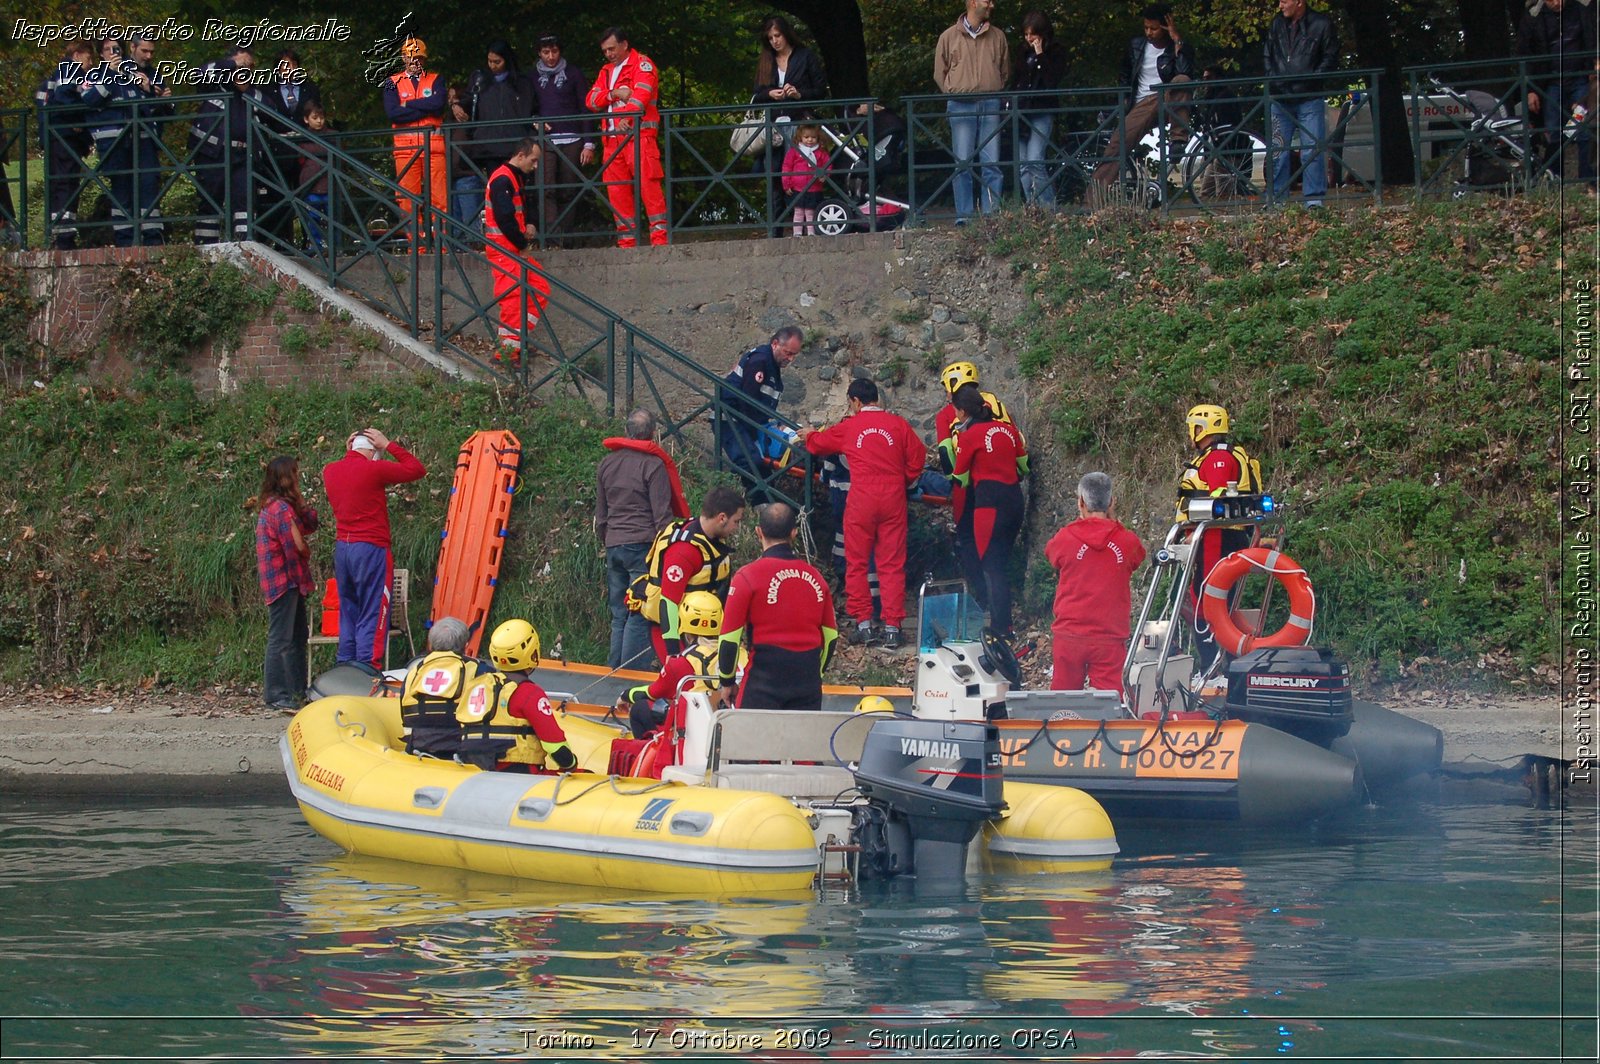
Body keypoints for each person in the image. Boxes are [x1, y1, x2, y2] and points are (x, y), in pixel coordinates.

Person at [803, 378, 926, 650]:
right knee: (892, 563)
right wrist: (902, 481)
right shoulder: (899, 425)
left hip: (862, 498)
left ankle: (864, 624)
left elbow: (818, 445)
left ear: (855, 402)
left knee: (856, 561)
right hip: (893, 496)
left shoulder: (850, 426)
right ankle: (893, 627)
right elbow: (918, 456)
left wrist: (809, 434)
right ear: (877, 399)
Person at [717, 502, 838, 710]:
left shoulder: (746, 577)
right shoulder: (816, 578)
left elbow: (729, 639)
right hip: (807, 679)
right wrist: (817, 674)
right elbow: (831, 637)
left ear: (758, 532)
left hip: (763, 678)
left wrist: (727, 681)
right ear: (794, 533)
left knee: (755, 741)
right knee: (799, 742)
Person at [322, 427, 426, 669]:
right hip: (370, 548)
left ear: (351, 447)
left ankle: (345, 666)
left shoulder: (330, 470)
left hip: (343, 549)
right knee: (373, 607)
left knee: (348, 609)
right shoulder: (374, 469)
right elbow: (416, 469)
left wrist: (349, 452)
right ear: (372, 450)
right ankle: (367, 667)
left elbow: (348, 469)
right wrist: (389, 445)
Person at [596, 408, 691, 670]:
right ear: (653, 434)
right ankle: (629, 676)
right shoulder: (653, 465)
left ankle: (612, 672)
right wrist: (673, 549)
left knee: (619, 615)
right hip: (643, 547)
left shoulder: (607, 463)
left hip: (614, 544)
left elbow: (601, 514)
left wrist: (608, 539)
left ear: (627, 431)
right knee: (639, 612)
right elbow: (662, 517)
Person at [1176, 403, 1263, 666]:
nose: (1191, 433)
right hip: (1216, 536)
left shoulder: (1218, 458)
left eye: (1193, 427)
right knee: (1200, 599)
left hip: (1215, 536)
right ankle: (1220, 662)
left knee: (1206, 602)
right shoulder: (1220, 455)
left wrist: (1196, 533)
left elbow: (1217, 500)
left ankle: (1212, 666)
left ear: (1202, 428)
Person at [1046, 472, 1146, 694]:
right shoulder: (1128, 540)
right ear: (1112, 502)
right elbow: (1138, 558)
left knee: (1062, 705)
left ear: (1081, 502)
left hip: (1069, 635)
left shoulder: (1065, 537)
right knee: (1110, 707)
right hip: (1109, 637)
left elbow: (1052, 556)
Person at [950, 384, 1028, 641]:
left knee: (992, 567)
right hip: (1014, 501)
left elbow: (960, 477)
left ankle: (1001, 628)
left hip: (989, 504)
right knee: (1001, 563)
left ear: (962, 412)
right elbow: (1023, 466)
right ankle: (1003, 624)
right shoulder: (1008, 430)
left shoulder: (969, 436)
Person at [1092, 4, 1195, 192]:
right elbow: (1125, 74)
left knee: (1181, 80)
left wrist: (1177, 40)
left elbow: (1185, 74)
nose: (1149, 32)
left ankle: (1178, 140)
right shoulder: (1136, 45)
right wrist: (1124, 100)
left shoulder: (1177, 47)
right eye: (1146, 27)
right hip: (1140, 104)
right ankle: (1092, 200)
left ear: (1165, 27)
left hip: (1165, 99)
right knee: (1117, 145)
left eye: (1154, 28)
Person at [455, 619, 579, 773]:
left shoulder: (476, 685)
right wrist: (572, 765)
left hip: (472, 771)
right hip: (517, 773)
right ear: (532, 653)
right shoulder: (529, 693)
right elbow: (556, 747)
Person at [82, 35, 173, 246]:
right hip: (114, 145)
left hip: (142, 142)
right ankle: (125, 242)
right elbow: (90, 100)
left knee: (148, 188)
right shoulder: (93, 75)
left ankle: (153, 240)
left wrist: (151, 92)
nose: (114, 53)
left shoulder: (133, 75)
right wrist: (110, 75)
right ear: (101, 54)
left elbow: (146, 109)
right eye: (109, 50)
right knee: (121, 192)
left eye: (117, 49)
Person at [638, 484, 745, 662]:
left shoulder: (711, 542)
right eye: (736, 521)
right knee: (686, 685)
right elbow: (669, 603)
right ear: (722, 518)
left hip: (706, 631)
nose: (737, 528)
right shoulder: (684, 552)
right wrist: (674, 654)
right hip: (678, 632)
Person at [585, 27, 669, 247]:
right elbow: (591, 101)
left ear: (624, 44)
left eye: (612, 49)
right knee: (617, 192)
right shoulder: (606, 71)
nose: (609, 54)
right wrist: (614, 94)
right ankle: (627, 244)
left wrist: (627, 117)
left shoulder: (643, 64)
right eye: (605, 51)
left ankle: (660, 241)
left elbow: (641, 94)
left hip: (640, 137)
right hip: (612, 141)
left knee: (649, 189)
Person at [934, 0, 1010, 225]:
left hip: (990, 102)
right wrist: (953, 92)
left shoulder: (998, 37)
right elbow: (940, 73)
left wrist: (992, 88)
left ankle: (991, 216)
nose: (992, 5)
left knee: (991, 163)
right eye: (987, 1)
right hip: (960, 104)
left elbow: (1004, 71)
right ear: (972, 2)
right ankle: (964, 217)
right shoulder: (948, 37)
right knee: (963, 163)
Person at [753, 15, 829, 235]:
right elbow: (756, 95)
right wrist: (770, 93)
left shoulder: (805, 56)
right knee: (774, 175)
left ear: (786, 33)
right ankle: (775, 231)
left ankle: (803, 230)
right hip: (773, 127)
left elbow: (820, 90)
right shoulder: (766, 60)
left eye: (777, 36)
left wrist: (798, 94)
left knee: (801, 176)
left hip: (799, 126)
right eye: (770, 38)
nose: (775, 41)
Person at [254, 455, 318, 712]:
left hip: (289, 580)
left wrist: (301, 502)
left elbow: (310, 524)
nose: (298, 476)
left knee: (297, 636)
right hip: (283, 580)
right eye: (294, 473)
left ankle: (296, 691)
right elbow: (296, 545)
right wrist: (306, 553)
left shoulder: (282, 506)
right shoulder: (279, 509)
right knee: (281, 637)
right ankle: (276, 693)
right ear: (283, 478)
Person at [1263, 0, 1340, 208]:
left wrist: (1311, 80)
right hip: (1281, 97)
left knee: (1311, 150)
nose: (1280, 5)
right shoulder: (1277, 24)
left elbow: (1330, 57)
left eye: (1284, 1)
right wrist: (1276, 81)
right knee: (1278, 150)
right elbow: (1268, 55)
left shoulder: (1322, 24)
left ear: (1299, 2)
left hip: (1309, 96)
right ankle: (1277, 200)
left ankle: (1314, 201)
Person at [483, 137, 552, 366]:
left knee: (539, 288)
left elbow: (524, 205)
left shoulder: (513, 176)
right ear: (520, 156)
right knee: (514, 297)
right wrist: (522, 244)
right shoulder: (503, 179)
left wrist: (530, 224)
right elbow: (504, 219)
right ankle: (508, 351)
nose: (535, 166)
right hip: (505, 250)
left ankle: (516, 341)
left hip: (511, 248)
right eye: (533, 161)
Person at [458, 41, 538, 233]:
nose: (492, 66)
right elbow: (468, 101)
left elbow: (531, 110)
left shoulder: (522, 82)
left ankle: (524, 228)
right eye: (489, 61)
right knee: (498, 192)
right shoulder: (480, 80)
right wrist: (457, 105)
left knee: (521, 191)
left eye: (497, 61)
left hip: (515, 145)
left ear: (507, 60)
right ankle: (503, 231)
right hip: (490, 146)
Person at [1519, 0, 1599, 188]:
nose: (1557, 3)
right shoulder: (1533, 17)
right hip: (1550, 82)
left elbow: (1591, 36)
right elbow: (1525, 55)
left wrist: (1593, 64)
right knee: (1553, 133)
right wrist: (1531, 89)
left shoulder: (1581, 10)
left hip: (1579, 78)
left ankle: (1589, 183)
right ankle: (1555, 183)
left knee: (1585, 129)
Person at [625, 590, 725, 738]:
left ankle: (646, 755)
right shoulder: (742, 655)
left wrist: (626, 695)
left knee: (640, 708)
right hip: (731, 723)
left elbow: (652, 692)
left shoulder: (681, 663)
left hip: (698, 731)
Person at [189, 48, 263, 245]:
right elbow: (198, 74)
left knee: (244, 201)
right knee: (210, 201)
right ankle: (205, 248)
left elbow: (272, 113)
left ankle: (245, 246)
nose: (245, 71)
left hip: (243, 154)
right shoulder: (215, 84)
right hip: (213, 153)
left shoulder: (254, 93)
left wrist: (246, 89)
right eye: (242, 66)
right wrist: (232, 64)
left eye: (249, 66)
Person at [719, 326, 804, 497]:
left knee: (764, 466)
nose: (790, 359)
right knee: (750, 461)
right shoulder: (760, 360)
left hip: (744, 420)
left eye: (794, 355)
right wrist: (761, 429)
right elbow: (747, 401)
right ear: (775, 344)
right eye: (788, 353)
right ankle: (748, 503)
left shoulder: (772, 366)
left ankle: (762, 508)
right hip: (730, 418)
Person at [382, 37, 449, 247]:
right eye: (411, 58)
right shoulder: (392, 82)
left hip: (434, 147)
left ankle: (441, 243)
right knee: (407, 200)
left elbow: (438, 105)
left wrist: (408, 104)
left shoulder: (436, 79)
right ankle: (417, 245)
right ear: (403, 58)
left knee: (440, 198)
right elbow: (393, 114)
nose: (415, 62)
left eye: (419, 58)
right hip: (405, 149)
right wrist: (424, 105)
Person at [532, 33, 598, 244]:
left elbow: (585, 108)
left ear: (560, 51)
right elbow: (528, 107)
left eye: (554, 51)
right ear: (539, 53)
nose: (550, 56)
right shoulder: (531, 76)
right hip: (545, 139)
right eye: (545, 52)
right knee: (545, 187)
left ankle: (567, 237)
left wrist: (589, 142)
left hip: (573, 138)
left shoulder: (574, 73)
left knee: (569, 190)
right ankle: (552, 238)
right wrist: (534, 121)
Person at [36, 42, 96, 250]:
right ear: (77, 55)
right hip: (64, 137)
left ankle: (59, 235)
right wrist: (81, 121)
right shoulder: (70, 69)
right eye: (88, 59)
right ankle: (64, 238)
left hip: (56, 137)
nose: (90, 65)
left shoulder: (57, 74)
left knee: (61, 185)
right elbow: (65, 99)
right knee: (66, 186)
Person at [1011, 11, 1070, 208]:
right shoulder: (1022, 51)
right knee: (1023, 165)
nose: (1029, 39)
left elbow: (1052, 80)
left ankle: (1047, 208)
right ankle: (1032, 207)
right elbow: (1017, 80)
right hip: (1022, 111)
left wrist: (1040, 55)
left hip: (1042, 110)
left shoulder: (1056, 51)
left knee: (1035, 159)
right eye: (1026, 35)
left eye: (1032, 35)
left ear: (1043, 33)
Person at [398, 616, 478, 757]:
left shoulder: (413, 672)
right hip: (461, 750)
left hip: (417, 747)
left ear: (431, 644)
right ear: (465, 645)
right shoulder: (478, 671)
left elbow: (404, 716)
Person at [780, 123, 831, 236]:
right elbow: (786, 166)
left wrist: (825, 174)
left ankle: (811, 232)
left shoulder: (820, 152)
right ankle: (797, 232)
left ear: (818, 138)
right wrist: (786, 184)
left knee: (810, 212)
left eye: (813, 137)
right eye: (806, 137)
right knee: (798, 212)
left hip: (814, 187)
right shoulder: (795, 151)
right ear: (800, 137)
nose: (810, 140)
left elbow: (827, 164)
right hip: (797, 187)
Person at [298, 104, 333, 252]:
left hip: (329, 184)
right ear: (306, 119)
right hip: (311, 185)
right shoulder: (302, 138)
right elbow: (299, 160)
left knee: (333, 219)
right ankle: (316, 247)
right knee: (312, 219)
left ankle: (334, 247)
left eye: (321, 117)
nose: (319, 121)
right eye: (315, 118)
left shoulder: (332, 135)